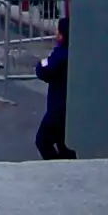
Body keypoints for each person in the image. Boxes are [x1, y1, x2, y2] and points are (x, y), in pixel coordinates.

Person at [35, 17, 76, 160]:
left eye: (58, 31)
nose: (55, 34)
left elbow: (44, 70)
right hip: (68, 107)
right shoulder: (73, 52)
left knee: (43, 141)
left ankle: (57, 166)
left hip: (58, 108)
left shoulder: (60, 55)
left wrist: (40, 64)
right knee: (64, 144)